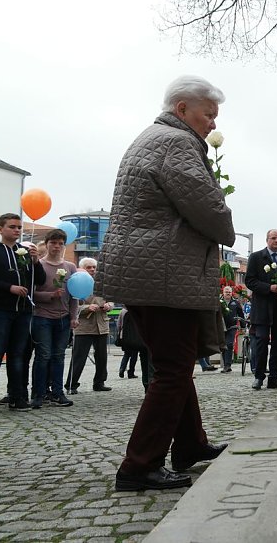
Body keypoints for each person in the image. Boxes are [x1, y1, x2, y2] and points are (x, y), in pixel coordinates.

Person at [97, 75, 235, 491]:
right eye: (208, 115)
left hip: (147, 268)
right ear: (182, 110)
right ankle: (139, 466)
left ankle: (191, 445)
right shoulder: (176, 143)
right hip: (163, 272)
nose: (212, 124)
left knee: (177, 362)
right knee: (173, 369)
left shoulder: (151, 137)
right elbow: (207, 207)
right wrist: (226, 222)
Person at [0, 214, 45, 410]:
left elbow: (39, 280)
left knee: (18, 355)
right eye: (12, 227)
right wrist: (9, 288)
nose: (17, 230)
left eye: (19, 227)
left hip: (23, 312)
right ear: (0, 229)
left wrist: (36, 261)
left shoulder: (23, 252)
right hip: (0, 311)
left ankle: (17, 397)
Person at [244, 229, 277, 389]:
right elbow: (250, 281)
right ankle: (259, 376)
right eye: (273, 238)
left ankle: (273, 377)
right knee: (260, 341)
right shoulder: (256, 258)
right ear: (267, 240)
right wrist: (269, 287)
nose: (276, 241)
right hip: (262, 308)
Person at [31, 229, 78, 408]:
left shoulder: (70, 267)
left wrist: (73, 317)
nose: (56, 247)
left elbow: (74, 296)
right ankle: (39, 393)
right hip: (42, 317)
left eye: (60, 244)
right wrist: (50, 295)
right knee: (43, 356)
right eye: (53, 243)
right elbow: (32, 293)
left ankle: (57, 393)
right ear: (47, 243)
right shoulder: (39, 265)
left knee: (59, 356)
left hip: (63, 319)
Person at [65, 257, 113, 394]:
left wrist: (109, 305)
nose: (92, 269)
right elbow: (71, 304)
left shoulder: (102, 283)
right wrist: (86, 307)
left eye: (94, 267)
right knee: (79, 357)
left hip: (101, 326)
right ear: (82, 269)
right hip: (84, 327)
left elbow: (111, 300)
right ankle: (71, 384)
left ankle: (99, 382)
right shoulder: (76, 282)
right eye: (88, 267)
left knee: (102, 357)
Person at [219, 285, 242, 372]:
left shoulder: (235, 303)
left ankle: (227, 365)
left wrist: (243, 326)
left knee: (229, 344)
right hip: (221, 327)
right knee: (223, 346)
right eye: (226, 292)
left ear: (231, 293)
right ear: (223, 293)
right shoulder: (219, 302)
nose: (228, 293)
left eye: (229, 292)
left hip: (232, 327)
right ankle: (226, 365)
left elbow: (241, 315)